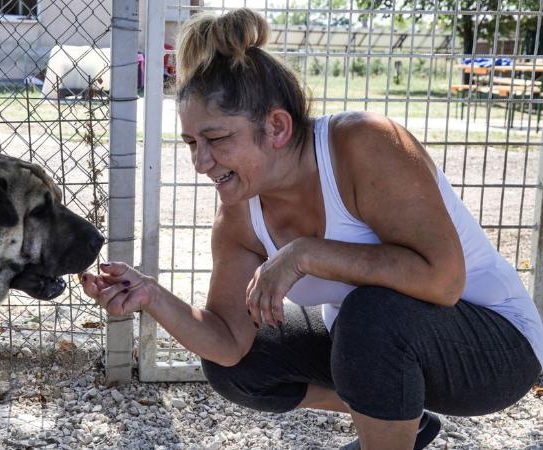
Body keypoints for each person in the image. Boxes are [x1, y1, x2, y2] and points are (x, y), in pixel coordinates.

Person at [80, 7, 543, 450]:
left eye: (217, 139)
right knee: (243, 365)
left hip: (497, 347)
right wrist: (151, 296)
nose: (201, 162)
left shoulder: (364, 143)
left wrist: (305, 253)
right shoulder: (240, 211)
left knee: (371, 315)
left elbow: (443, 281)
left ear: (277, 127)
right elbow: (227, 343)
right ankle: (400, 417)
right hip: (379, 344)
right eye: (191, 142)